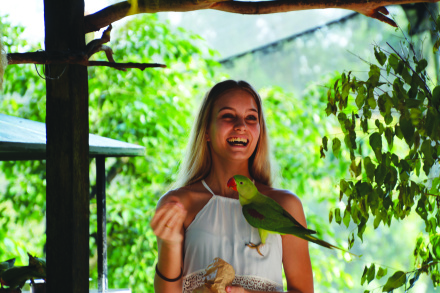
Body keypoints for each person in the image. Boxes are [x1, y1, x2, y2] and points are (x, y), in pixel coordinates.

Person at [150, 80, 314, 293]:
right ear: (206, 130)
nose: (241, 125)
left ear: (259, 132)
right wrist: (170, 244)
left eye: (251, 118)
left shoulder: (285, 204)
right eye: (228, 116)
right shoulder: (180, 204)